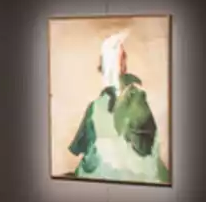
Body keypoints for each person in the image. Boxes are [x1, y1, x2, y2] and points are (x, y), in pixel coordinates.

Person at [65, 30, 169, 184]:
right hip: (143, 180)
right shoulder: (138, 99)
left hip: (104, 177)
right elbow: (147, 145)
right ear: (124, 66)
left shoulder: (99, 106)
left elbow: (79, 147)